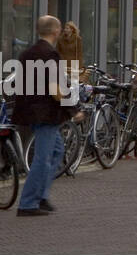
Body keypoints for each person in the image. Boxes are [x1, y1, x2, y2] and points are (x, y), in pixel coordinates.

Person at [13, 16, 84, 216]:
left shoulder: (26, 54)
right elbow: (57, 90)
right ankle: (28, 203)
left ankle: (41, 195)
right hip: (46, 114)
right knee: (43, 158)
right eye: (60, 28)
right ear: (55, 32)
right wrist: (74, 109)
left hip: (29, 111)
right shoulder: (50, 55)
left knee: (56, 151)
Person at [56, 20, 83, 85]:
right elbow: (57, 51)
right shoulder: (60, 39)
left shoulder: (77, 39)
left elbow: (79, 53)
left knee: (74, 84)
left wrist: (79, 66)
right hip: (63, 63)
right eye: (65, 28)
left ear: (72, 29)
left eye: (67, 28)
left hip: (73, 64)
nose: (65, 30)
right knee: (63, 83)